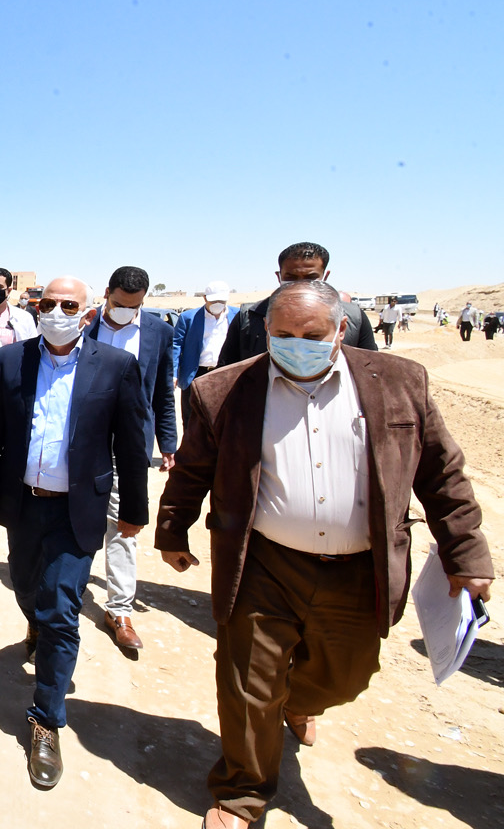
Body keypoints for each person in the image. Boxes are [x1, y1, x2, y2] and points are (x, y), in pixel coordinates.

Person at [156, 279, 494, 829]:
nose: (298, 345)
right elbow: (193, 470)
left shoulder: (399, 383)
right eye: (284, 334)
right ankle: (241, 792)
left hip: (359, 570)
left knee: (347, 677)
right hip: (263, 563)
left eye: (313, 335)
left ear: (341, 330)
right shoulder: (223, 391)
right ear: (265, 331)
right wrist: (173, 530)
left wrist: (467, 556)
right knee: (248, 683)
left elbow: (442, 475)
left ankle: (297, 701)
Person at [0, 276, 148, 790]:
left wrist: (133, 511)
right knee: (27, 589)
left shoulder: (116, 366)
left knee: (60, 612)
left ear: (88, 313)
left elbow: (131, 446)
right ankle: (35, 623)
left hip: (78, 511)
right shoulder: (11, 360)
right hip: (23, 505)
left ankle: (46, 721)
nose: (55, 312)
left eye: (68, 305)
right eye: (47, 303)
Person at [83, 266, 177, 653]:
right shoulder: (83, 325)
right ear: (107, 293)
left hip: (131, 443)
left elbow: (163, 392)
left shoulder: (158, 333)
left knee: (124, 525)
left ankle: (119, 609)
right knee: (76, 518)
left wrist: (167, 442)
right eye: (119, 304)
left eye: (133, 307)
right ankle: (65, 594)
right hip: (84, 440)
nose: (125, 312)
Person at [217, 242, 377, 366]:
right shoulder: (249, 316)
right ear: (279, 276)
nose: (300, 285)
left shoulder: (353, 317)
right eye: (291, 278)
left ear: (325, 276)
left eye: (310, 278)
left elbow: (370, 370)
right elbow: (226, 371)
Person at [173, 281, 238, 432]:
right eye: (214, 300)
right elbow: (175, 346)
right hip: (196, 375)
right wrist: (173, 373)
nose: (218, 304)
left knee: (223, 420)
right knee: (192, 421)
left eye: (221, 300)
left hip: (224, 374)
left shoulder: (238, 315)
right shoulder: (188, 318)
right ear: (205, 298)